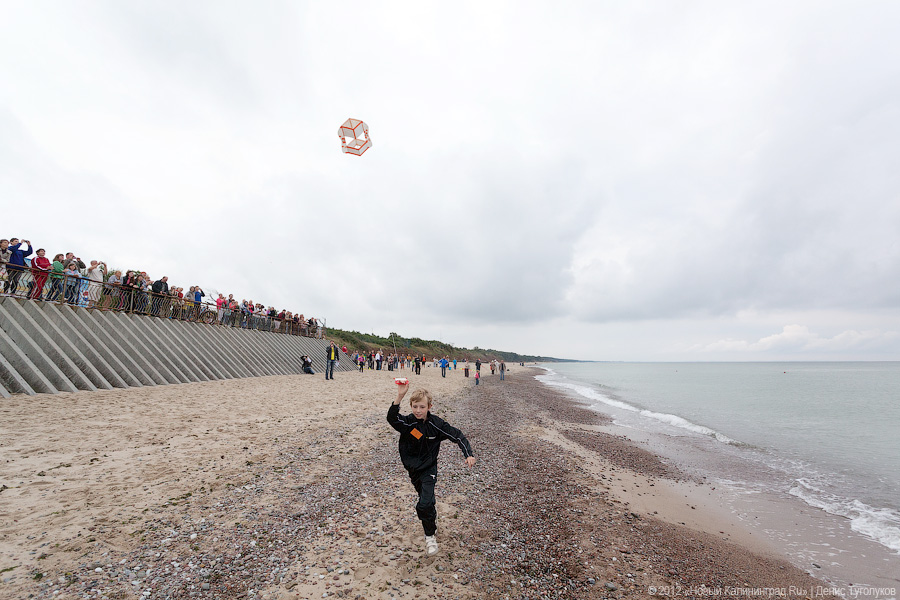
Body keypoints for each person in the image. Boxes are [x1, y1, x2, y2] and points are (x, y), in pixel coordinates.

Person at [387, 382, 475, 556]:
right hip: (413, 470)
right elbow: (392, 418)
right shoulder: (408, 423)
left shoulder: (436, 424)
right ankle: (431, 519)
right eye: (415, 407)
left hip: (429, 468)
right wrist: (400, 396)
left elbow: (457, 435)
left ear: (429, 406)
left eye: (422, 407)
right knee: (427, 502)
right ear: (411, 406)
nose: (418, 410)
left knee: (424, 504)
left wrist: (468, 454)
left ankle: (429, 536)